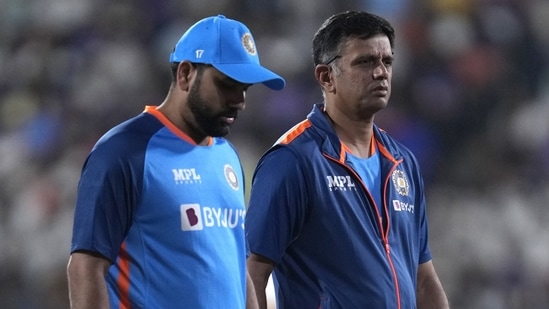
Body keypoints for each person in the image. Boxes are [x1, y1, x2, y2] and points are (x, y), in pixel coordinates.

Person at [66, 14, 285, 309]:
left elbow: (235, 264)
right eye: (227, 85)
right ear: (185, 74)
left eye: (245, 88)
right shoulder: (124, 152)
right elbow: (85, 267)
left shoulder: (228, 156)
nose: (240, 100)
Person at [246, 11, 449, 309]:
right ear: (326, 76)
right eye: (365, 62)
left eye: (387, 62)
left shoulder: (402, 162)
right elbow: (253, 273)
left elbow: (424, 278)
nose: (381, 72)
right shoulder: (293, 160)